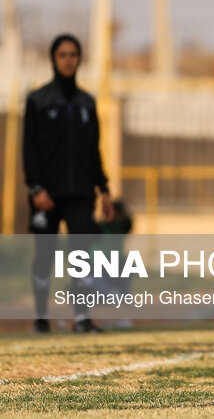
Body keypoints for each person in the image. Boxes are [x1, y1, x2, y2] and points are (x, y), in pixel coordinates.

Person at [23, 33, 113, 334]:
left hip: (80, 194)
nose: (68, 60)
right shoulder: (38, 101)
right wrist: (36, 188)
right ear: (53, 58)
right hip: (46, 194)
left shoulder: (87, 103)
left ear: (79, 59)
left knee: (82, 256)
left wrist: (104, 189)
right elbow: (29, 149)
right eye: (62, 54)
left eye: (73, 54)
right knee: (44, 256)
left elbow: (93, 151)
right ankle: (40, 318)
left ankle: (82, 318)